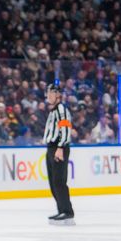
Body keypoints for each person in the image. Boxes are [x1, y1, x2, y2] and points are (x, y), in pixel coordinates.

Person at [43, 84, 74, 224]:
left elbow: (66, 128)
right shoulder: (53, 111)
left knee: (59, 181)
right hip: (51, 148)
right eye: (47, 93)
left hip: (58, 148)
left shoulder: (61, 109)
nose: (48, 95)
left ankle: (67, 211)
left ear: (57, 94)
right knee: (53, 182)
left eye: (50, 93)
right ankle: (61, 210)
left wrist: (61, 147)